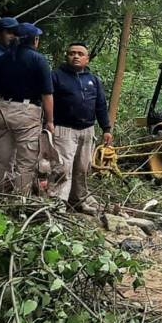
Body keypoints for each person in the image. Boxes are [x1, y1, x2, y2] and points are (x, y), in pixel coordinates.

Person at [49, 42, 112, 212]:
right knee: (63, 167)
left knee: (83, 168)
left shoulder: (93, 80)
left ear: (87, 59)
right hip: (63, 129)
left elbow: (100, 105)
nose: (75, 56)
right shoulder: (56, 76)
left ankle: (78, 200)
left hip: (87, 130)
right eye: (71, 53)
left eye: (80, 53)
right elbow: (47, 101)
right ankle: (57, 203)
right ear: (67, 57)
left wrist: (106, 128)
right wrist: (48, 123)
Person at [0, 22, 53, 194]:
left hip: (2, 109)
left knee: (0, 159)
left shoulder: (2, 59)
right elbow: (47, 94)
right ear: (35, 40)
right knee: (26, 161)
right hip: (27, 113)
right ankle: (20, 200)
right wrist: (50, 121)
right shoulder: (38, 60)